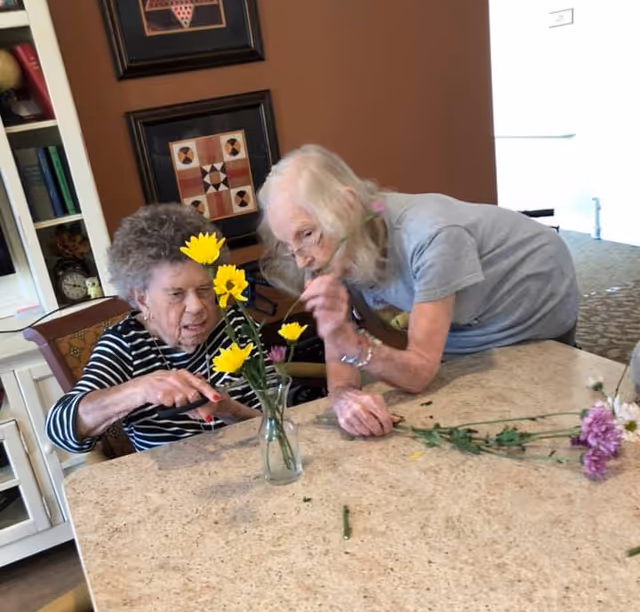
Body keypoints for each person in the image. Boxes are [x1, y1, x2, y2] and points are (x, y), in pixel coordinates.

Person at [258, 145, 580, 438]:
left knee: (534, 418)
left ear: (347, 205)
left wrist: (353, 345)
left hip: (533, 301)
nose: (301, 261)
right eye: (289, 244)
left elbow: (419, 371)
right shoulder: (327, 249)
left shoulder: (432, 236)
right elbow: (339, 355)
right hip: (468, 323)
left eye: (306, 234)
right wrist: (343, 395)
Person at [46, 204, 265, 454]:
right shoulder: (126, 344)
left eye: (205, 289)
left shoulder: (235, 325)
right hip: (171, 485)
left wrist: (227, 409)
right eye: (176, 294)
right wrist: (140, 389)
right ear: (142, 299)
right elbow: (59, 430)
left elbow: (278, 418)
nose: (197, 307)